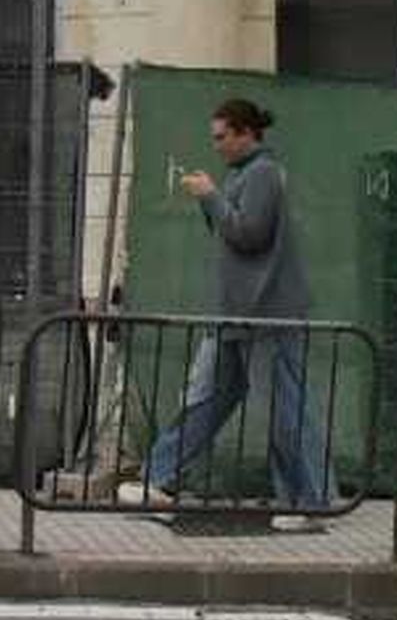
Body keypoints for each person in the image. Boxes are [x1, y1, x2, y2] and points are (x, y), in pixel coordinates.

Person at [120, 97, 334, 530]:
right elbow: (235, 230)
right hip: (239, 315)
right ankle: (156, 479)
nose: (216, 146)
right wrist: (213, 199)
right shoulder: (249, 174)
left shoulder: (263, 174)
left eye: (221, 137)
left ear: (244, 133)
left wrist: (211, 196)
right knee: (206, 400)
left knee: (281, 409)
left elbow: (248, 234)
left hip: (263, 315)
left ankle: (308, 501)